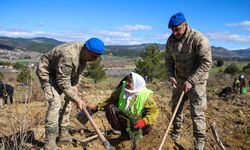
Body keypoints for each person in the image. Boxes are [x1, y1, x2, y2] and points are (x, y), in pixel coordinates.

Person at [36, 37, 105, 150]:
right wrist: (77, 99)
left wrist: (74, 89)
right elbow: (62, 81)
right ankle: (50, 143)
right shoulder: (69, 55)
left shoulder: (85, 55)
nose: (94, 60)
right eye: (93, 56)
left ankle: (63, 135)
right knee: (55, 103)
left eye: (97, 57)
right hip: (48, 72)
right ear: (87, 50)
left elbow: (77, 74)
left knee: (67, 103)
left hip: (63, 75)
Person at [165, 12, 212, 150]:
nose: (175, 32)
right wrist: (171, 75)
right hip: (179, 80)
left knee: (197, 112)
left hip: (197, 82)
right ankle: (176, 132)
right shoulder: (171, 40)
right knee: (176, 109)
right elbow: (168, 61)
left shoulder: (198, 38)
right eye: (172, 30)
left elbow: (206, 63)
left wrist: (191, 80)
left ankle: (199, 142)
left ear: (185, 25)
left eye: (178, 29)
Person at [88, 72, 159, 137]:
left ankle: (137, 135)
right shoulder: (123, 88)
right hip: (123, 118)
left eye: (130, 82)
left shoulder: (145, 95)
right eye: (127, 81)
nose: (126, 83)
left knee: (148, 127)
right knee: (111, 107)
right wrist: (97, 107)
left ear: (137, 84)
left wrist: (144, 121)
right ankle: (120, 131)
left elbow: (153, 111)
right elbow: (111, 100)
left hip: (136, 122)